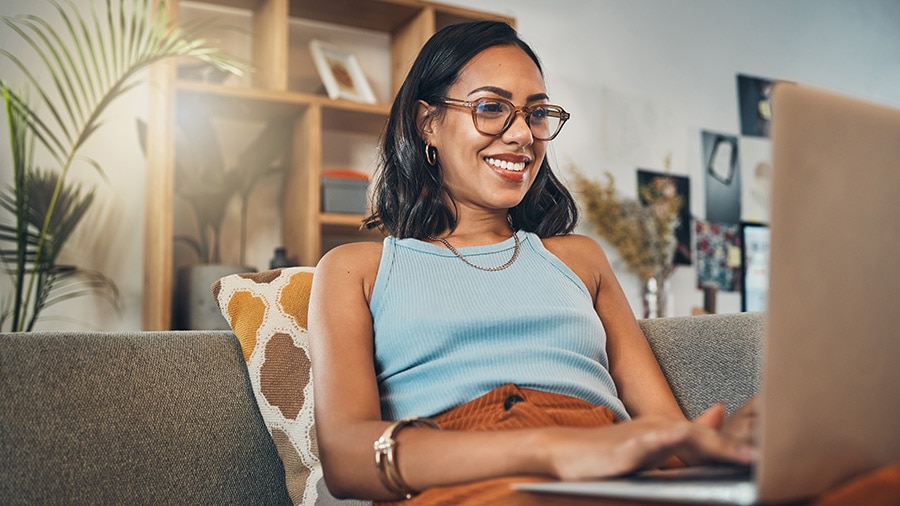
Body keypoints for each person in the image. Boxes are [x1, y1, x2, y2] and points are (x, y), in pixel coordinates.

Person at [308, 20, 756, 505]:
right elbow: (348, 459)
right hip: (470, 478)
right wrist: (549, 449)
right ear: (427, 123)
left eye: (536, 113)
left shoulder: (579, 258)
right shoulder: (356, 271)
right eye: (491, 108)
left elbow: (664, 430)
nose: (522, 134)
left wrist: (727, 448)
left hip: (614, 470)